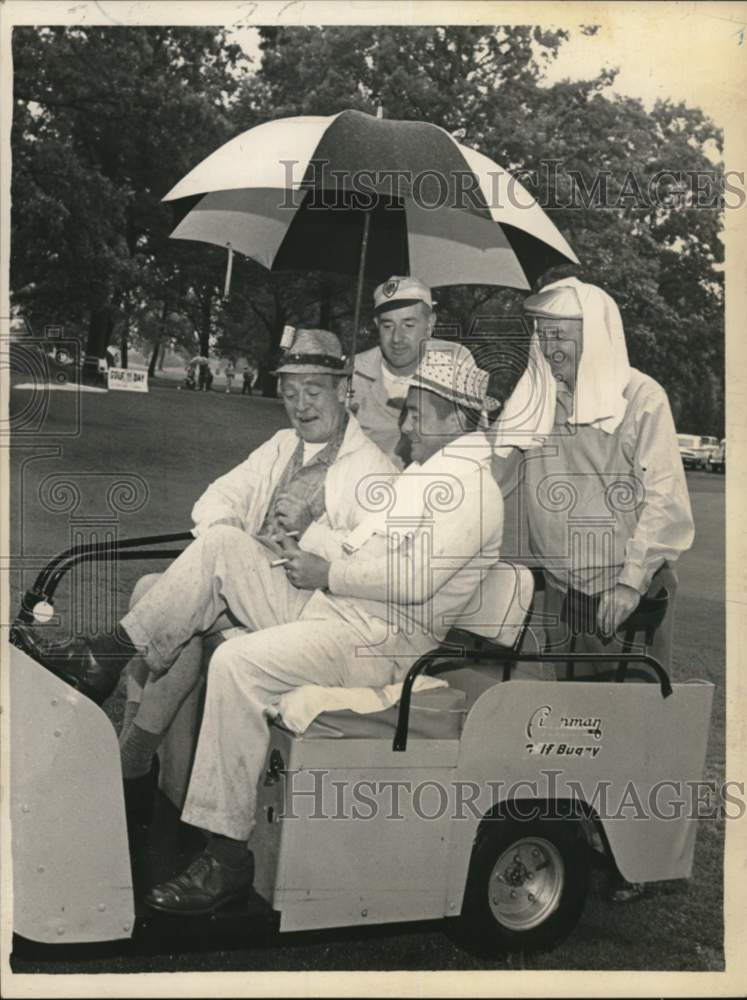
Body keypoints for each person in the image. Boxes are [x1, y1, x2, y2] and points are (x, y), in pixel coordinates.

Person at [133, 347, 508, 915]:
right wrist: (307, 545)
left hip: (380, 641)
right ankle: (107, 654)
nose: (405, 424)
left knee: (236, 662)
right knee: (223, 546)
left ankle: (227, 856)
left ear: (456, 419)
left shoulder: (472, 491)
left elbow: (412, 581)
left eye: (416, 413)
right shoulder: (426, 477)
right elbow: (355, 542)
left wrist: (326, 570)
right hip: (338, 611)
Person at [16, 329, 397, 811]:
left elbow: (373, 570)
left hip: (317, 614)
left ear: (344, 391)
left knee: (212, 559)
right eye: (290, 392)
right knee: (153, 588)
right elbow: (218, 497)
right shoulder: (283, 445)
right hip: (253, 591)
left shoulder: (374, 471)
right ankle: (134, 762)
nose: (301, 406)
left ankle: (105, 667)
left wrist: (311, 529)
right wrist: (232, 534)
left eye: (314, 391)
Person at [519, 278, 695, 900]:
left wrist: (627, 583)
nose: (551, 346)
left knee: (633, 731)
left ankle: (638, 863)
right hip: (564, 594)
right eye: (543, 334)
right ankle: (584, 845)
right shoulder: (538, 401)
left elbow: (665, 496)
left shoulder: (640, 396)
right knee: (573, 731)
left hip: (627, 597)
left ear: (595, 336)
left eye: (562, 334)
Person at [352, 275, 468, 466]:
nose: (397, 338)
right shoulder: (355, 372)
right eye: (387, 326)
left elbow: (473, 438)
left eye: (408, 325)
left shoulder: (454, 361)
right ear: (376, 325)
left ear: (429, 324)